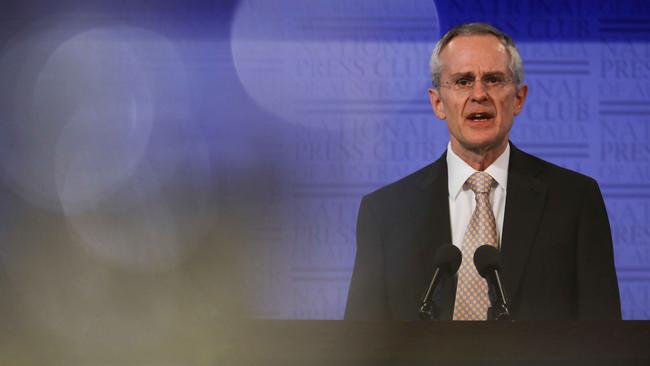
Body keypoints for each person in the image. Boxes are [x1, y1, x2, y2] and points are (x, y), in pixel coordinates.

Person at [345, 23, 621, 320]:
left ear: (518, 98)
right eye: (463, 81)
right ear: (437, 102)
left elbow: (603, 333)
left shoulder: (574, 201)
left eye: (493, 79)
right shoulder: (386, 212)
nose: (479, 93)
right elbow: (363, 340)